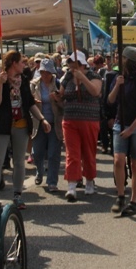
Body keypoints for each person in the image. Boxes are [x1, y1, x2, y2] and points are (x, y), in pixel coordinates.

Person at [0, 51, 50, 209]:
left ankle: (17, 195)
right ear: (13, 63)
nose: (25, 65)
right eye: (22, 62)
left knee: (19, 162)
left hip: (21, 124)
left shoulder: (23, 80)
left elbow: (29, 103)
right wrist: (0, 84)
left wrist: (42, 119)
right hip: (3, 126)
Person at [107, 47, 136, 216]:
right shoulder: (119, 77)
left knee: (135, 163)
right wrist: (117, 85)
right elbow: (110, 100)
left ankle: (134, 201)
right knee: (118, 160)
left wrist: (131, 129)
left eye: (121, 57)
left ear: (128, 60)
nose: (118, 59)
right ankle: (120, 196)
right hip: (120, 123)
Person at [59, 50, 102, 202]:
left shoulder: (94, 76)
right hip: (70, 119)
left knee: (89, 153)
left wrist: (82, 78)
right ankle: (71, 186)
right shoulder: (68, 77)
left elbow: (96, 91)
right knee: (72, 153)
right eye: (70, 66)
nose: (72, 68)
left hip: (89, 119)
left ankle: (89, 181)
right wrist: (56, 96)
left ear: (83, 65)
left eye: (75, 65)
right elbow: (62, 94)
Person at [30, 58, 63, 192]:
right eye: (43, 72)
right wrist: (33, 101)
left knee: (53, 154)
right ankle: (39, 170)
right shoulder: (33, 85)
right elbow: (29, 103)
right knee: (37, 153)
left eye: (48, 72)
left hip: (54, 123)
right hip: (38, 123)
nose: (45, 75)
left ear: (52, 73)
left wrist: (57, 99)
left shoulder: (58, 84)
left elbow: (64, 106)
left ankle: (52, 182)